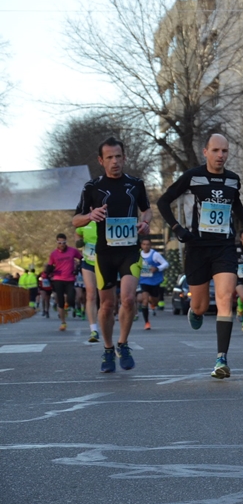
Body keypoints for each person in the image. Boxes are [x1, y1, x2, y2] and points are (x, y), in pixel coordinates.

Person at [157, 133, 243, 380]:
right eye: (215, 151)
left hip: (224, 246)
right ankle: (196, 310)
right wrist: (177, 228)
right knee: (200, 305)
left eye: (224, 151)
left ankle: (221, 359)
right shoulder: (193, 177)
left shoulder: (233, 180)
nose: (221, 155)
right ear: (205, 152)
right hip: (198, 247)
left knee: (225, 297)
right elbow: (163, 202)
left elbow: (236, 204)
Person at [73, 136, 152, 373]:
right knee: (106, 305)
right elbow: (75, 220)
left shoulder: (136, 184)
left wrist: (145, 222)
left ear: (124, 157)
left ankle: (123, 343)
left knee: (128, 299)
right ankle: (108, 348)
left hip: (130, 251)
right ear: (101, 160)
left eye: (118, 156)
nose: (115, 162)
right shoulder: (92, 187)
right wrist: (90, 215)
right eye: (109, 157)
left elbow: (147, 210)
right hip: (105, 253)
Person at [47, 233, 83, 331]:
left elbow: (81, 258)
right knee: (60, 301)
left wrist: (78, 268)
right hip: (58, 279)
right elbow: (50, 265)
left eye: (63, 242)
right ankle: (63, 322)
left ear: (66, 242)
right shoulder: (53, 254)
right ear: (57, 243)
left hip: (70, 279)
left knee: (71, 299)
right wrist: (47, 273)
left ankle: (69, 305)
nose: (62, 244)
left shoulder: (72, 251)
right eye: (60, 243)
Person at [75, 222, 100, 342]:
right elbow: (77, 232)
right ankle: (93, 330)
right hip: (88, 263)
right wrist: (79, 242)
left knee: (106, 297)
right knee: (90, 294)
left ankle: (106, 324)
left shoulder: (108, 219)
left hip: (105, 263)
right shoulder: (85, 222)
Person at [138, 238, 169, 330]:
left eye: (148, 244)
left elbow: (165, 264)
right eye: (144, 244)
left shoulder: (155, 255)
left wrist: (157, 268)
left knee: (155, 301)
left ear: (150, 245)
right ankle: (147, 322)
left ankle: (153, 303)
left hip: (154, 281)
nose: (146, 246)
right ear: (141, 245)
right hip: (143, 280)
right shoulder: (138, 255)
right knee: (144, 301)